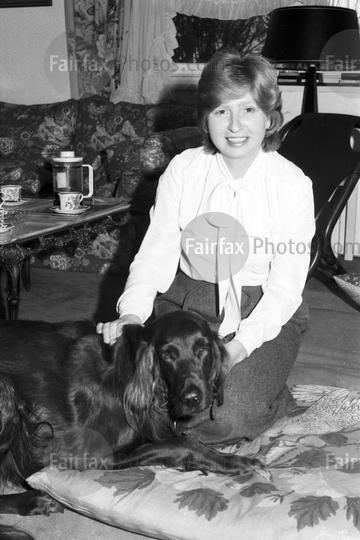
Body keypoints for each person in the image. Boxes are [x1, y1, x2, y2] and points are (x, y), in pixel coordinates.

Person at [97, 50, 315, 445]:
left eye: (248, 110)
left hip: (262, 305)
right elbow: (156, 252)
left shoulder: (293, 185)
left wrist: (238, 350)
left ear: (269, 115)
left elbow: (284, 290)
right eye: (221, 112)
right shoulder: (184, 169)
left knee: (225, 417)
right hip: (185, 297)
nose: (235, 126)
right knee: (121, 396)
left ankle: (268, 393)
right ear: (205, 118)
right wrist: (131, 315)